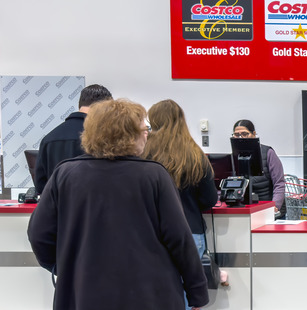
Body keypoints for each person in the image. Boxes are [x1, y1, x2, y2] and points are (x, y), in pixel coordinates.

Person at [27, 99, 208, 310]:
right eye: (143, 129)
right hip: (150, 293)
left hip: (84, 293)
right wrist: (197, 292)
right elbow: (180, 240)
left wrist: (68, 267)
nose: (147, 134)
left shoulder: (65, 174)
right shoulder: (154, 175)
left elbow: (38, 235)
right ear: (128, 134)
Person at [142, 99, 218, 308]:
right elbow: (209, 199)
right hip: (190, 231)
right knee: (187, 293)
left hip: (152, 232)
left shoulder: (144, 154)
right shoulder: (194, 154)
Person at [33, 84, 112, 194]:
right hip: (92, 207)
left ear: (80, 104)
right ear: (104, 107)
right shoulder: (103, 137)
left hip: (59, 208)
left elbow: (41, 186)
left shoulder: (49, 139)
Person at [232, 119, 286, 218]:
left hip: (269, 209)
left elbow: (279, 183)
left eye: (245, 134)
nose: (241, 137)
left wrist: (275, 205)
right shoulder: (234, 156)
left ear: (254, 134)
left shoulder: (268, 153)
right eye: (237, 135)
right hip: (247, 210)